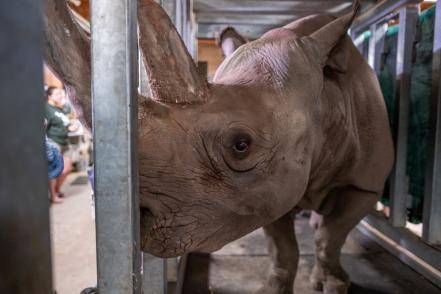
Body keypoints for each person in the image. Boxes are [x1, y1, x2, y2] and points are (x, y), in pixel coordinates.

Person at [45, 86, 76, 203]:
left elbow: (65, 125)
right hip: (54, 141)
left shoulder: (60, 109)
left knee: (67, 168)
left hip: (65, 141)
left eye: (61, 94)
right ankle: (53, 196)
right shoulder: (46, 108)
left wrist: (71, 127)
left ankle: (56, 189)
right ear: (50, 96)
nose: (60, 96)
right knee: (54, 170)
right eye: (57, 94)